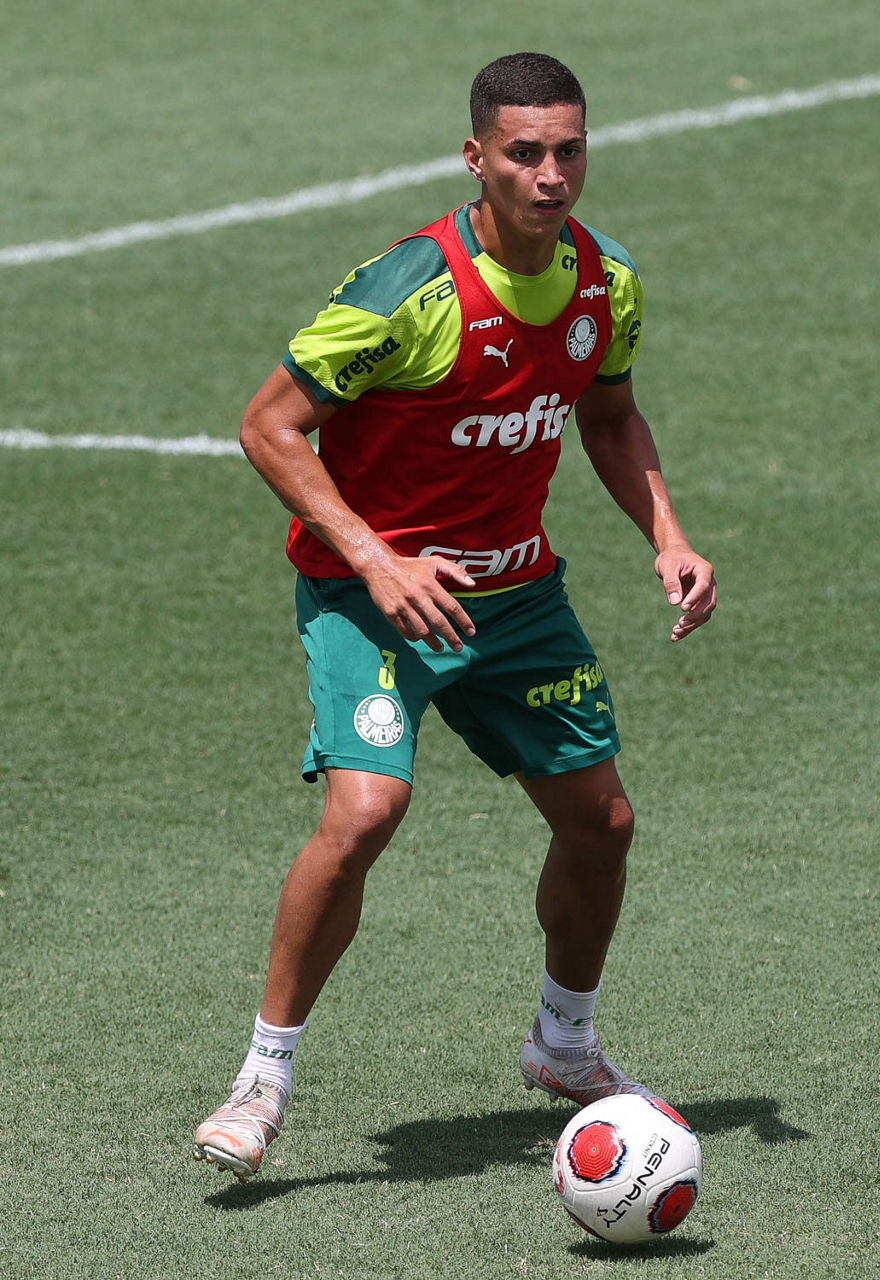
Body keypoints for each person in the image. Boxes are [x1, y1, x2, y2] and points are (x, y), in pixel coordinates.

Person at [193, 51, 716, 1183]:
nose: (551, 174)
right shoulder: (408, 289)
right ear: (476, 158)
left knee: (603, 823)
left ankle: (564, 1044)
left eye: (568, 150)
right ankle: (262, 1078)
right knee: (365, 812)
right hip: (375, 597)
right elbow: (269, 426)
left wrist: (668, 535)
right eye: (525, 153)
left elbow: (609, 417)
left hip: (518, 598)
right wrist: (375, 559)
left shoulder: (605, 281)